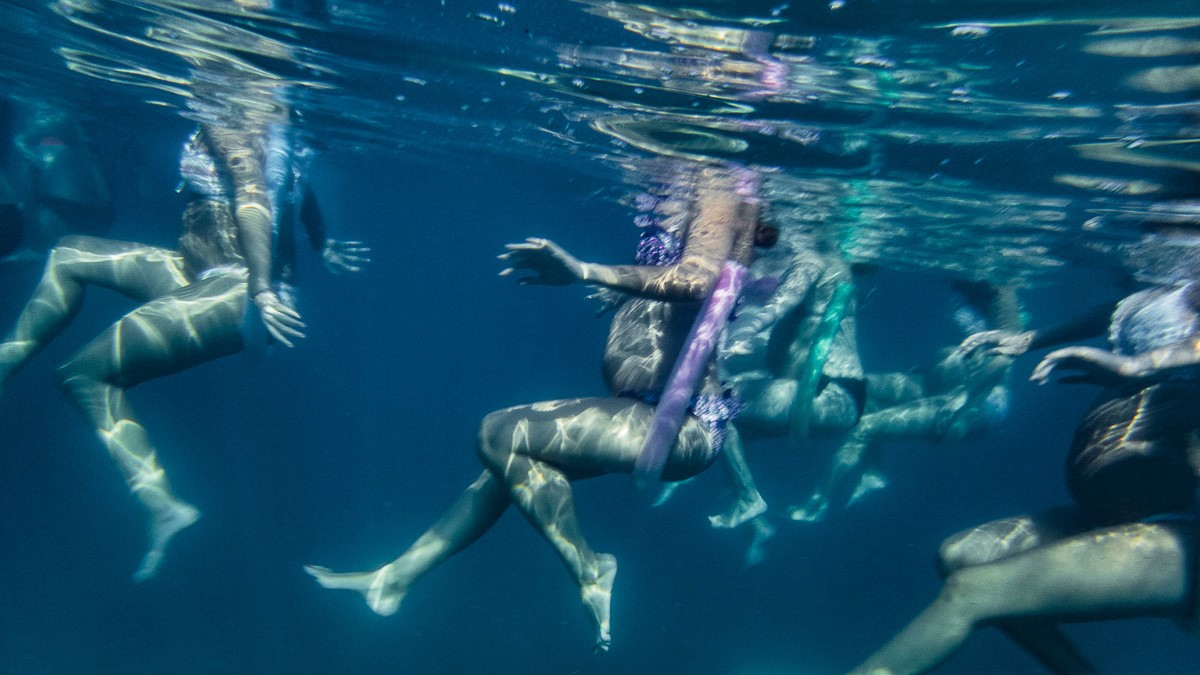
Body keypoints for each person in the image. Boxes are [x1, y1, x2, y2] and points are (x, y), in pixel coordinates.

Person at [305, 163, 771, 652]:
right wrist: (626, 297)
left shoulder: (719, 181)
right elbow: (680, 292)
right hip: (646, 411)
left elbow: (696, 282)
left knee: (500, 434)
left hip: (679, 424)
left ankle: (591, 569)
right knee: (512, 471)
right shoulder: (687, 181)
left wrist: (584, 271)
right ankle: (396, 577)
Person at [0, 99, 368, 580]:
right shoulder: (276, 125)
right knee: (69, 252)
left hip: (239, 288)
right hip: (199, 272)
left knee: (83, 374)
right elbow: (295, 184)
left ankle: (163, 504)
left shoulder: (236, 113)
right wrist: (322, 243)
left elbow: (254, 199)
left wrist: (261, 289)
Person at [834, 226, 1200, 675]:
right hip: (1111, 512)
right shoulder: (1165, 293)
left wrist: (1137, 365)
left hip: (1179, 531)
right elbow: (1117, 312)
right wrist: (1029, 340)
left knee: (972, 593)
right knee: (964, 555)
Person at [792, 282, 1021, 522]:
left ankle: (818, 503)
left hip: (980, 399)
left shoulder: (1001, 295)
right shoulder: (963, 278)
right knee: (860, 388)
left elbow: (1006, 357)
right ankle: (873, 471)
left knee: (865, 427)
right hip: (936, 381)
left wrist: (965, 399)